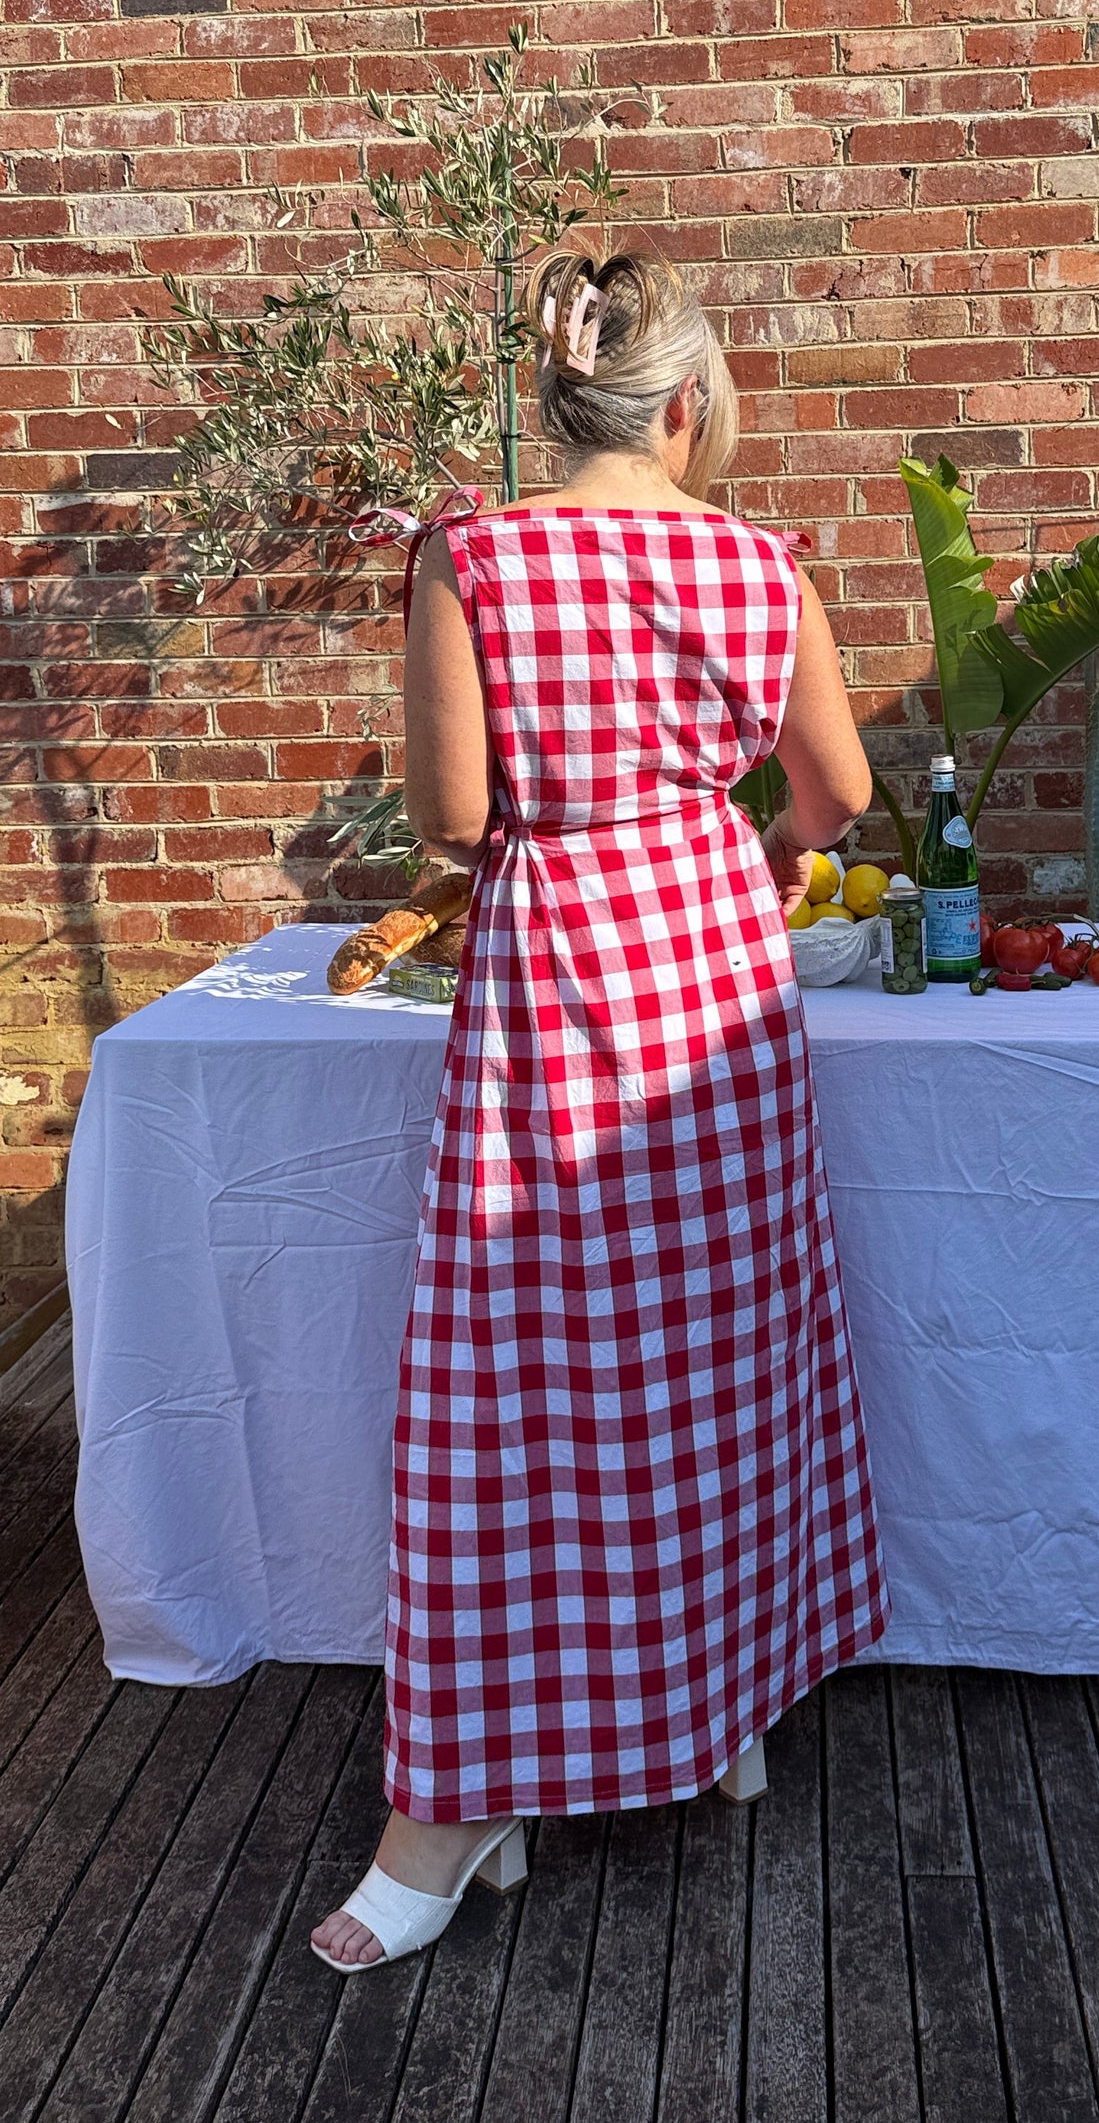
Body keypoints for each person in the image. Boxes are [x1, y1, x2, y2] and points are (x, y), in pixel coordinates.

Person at [312, 246, 889, 1971]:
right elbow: (837, 797)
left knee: (513, 1377)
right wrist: (729, 844)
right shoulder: (762, 564)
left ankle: (460, 1804)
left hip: (558, 965)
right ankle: (704, 1704)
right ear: (690, 402)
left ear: (566, 398)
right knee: (715, 1356)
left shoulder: (473, 556)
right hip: (714, 972)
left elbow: (450, 817)